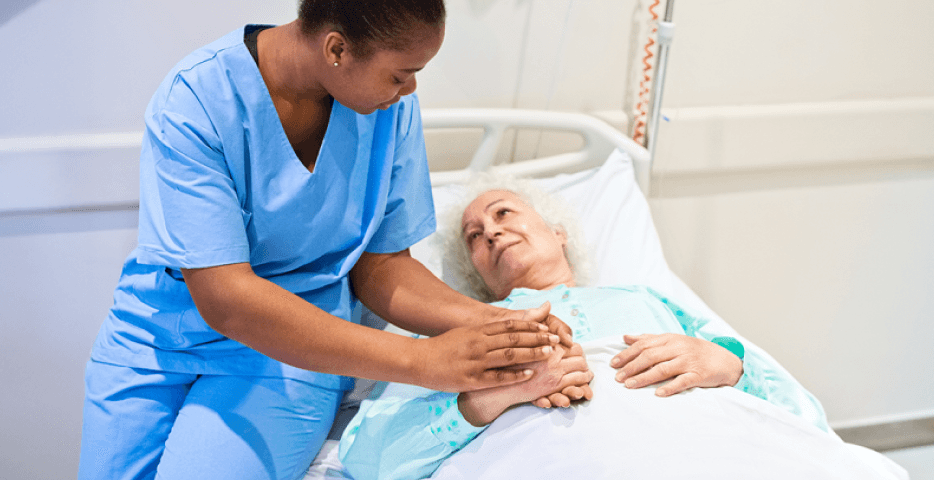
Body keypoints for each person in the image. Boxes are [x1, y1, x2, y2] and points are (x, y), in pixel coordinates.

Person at [78, 2, 586, 479]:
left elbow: (381, 265)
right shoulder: (196, 101)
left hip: (297, 346)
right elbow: (226, 298)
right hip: (157, 332)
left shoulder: (386, 109)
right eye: (400, 73)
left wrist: (499, 323)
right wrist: (423, 361)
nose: (408, 90)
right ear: (337, 50)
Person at [337, 177, 833, 480]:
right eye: (475, 237)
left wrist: (727, 366)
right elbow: (368, 458)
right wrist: (492, 396)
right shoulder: (455, 330)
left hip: (712, 452)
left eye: (503, 212)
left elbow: (802, 414)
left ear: (557, 232)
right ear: (476, 276)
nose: (490, 231)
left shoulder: (645, 300)